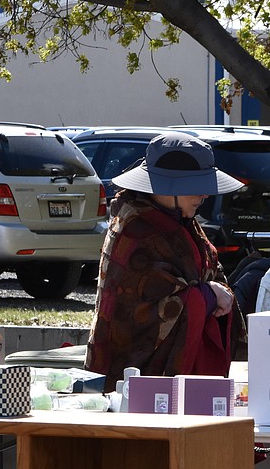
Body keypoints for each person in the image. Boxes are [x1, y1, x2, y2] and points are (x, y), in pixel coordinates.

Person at [86, 131, 247, 391]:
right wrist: (207, 296)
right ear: (164, 186)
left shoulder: (184, 223)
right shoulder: (135, 229)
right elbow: (140, 312)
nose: (204, 195)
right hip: (135, 381)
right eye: (195, 187)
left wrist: (217, 292)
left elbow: (211, 274)